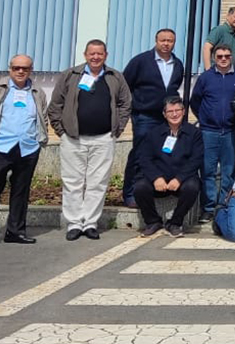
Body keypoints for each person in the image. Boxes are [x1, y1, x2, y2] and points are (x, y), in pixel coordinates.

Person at [48, 40, 132, 241]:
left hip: (103, 139)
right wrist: (62, 131)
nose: (96, 57)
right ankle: (75, 223)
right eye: (92, 53)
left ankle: (91, 223)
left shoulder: (114, 77)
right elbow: (55, 105)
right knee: (72, 182)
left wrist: (117, 129)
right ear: (85, 54)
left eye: (100, 54)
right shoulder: (71, 75)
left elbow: (125, 104)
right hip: (73, 139)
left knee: (98, 182)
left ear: (106, 55)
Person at [122, 29, 183, 207]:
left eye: (170, 41)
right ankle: (130, 193)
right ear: (156, 41)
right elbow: (125, 85)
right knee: (140, 153)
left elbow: (173, 88)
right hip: (144, 116)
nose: (166, 44)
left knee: (161, 154)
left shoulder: (177, 64)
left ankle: (152, 190)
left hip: (166, 119)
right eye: (163, 40)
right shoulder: (140, 61)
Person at [190, 44, 235, 223]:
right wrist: (206, 118)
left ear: (232, 57)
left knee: (228, 172)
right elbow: (195, 102)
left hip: (231, 131)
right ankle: (208, 208)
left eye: (227, 56)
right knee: (208, 171)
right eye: (220, 56)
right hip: (209, 131)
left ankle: (223, 205)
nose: (223, 59)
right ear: (214, 57)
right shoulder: (206, 77)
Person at [134, 96, 203, 238]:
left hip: (181, 180)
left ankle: (175, 223)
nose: (174, 114)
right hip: (159, 180)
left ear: (184, 112)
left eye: (178, 110)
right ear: (164, 114)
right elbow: (145, 158)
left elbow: (196, 159)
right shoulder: (153, 133)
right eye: (170, 111)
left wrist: (179, 179)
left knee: (193, 187)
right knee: (140, 187)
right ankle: (153, 221)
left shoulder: (194, 133)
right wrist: (156, 178)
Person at [0, 55, 48, 244]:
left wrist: (39, 141)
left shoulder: (37, 92)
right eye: (17, 68)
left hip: (27, 147)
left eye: (25, 69)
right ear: (10, 69)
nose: (21, 71)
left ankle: (15, 231)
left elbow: (42, 116)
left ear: (31, 70)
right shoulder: (2, 89)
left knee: (21, 191)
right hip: (3, 145)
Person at [202, 6, 235, 71]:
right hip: (216, 72)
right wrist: (208, 70)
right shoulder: (219, 30)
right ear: (228, 16)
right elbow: (206, 48)